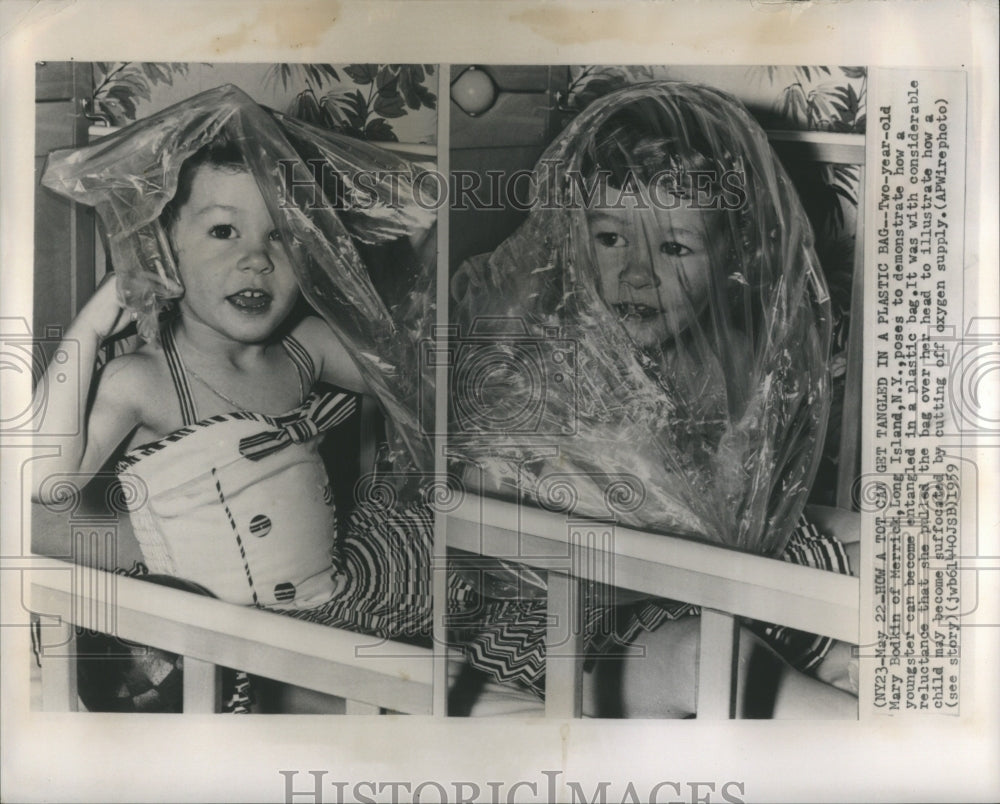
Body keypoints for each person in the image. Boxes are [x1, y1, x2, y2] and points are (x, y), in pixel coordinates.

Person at [449, 81, 859, 717]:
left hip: (697, 587)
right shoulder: (544, 366)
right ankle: (895, 760)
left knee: (875, 554)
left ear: (731, 258)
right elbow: (482, 513)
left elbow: (745, 492)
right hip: (564, 627)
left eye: (673, 247)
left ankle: (839, 674)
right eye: (611, 238)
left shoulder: (719, 357)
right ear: (571, 237)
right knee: (712, 659)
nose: (637, 274)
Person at [32, 86, 444, 709]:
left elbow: (409, 373)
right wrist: (90, 328)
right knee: (344, 706)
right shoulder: (143, 379)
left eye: (281, 237)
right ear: (163, 252)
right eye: (224, 230)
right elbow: (44, 481)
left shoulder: (302, 347)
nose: (256, 259)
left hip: (325, 608)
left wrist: (417, 251)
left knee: (437, 581)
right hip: (210, 639)